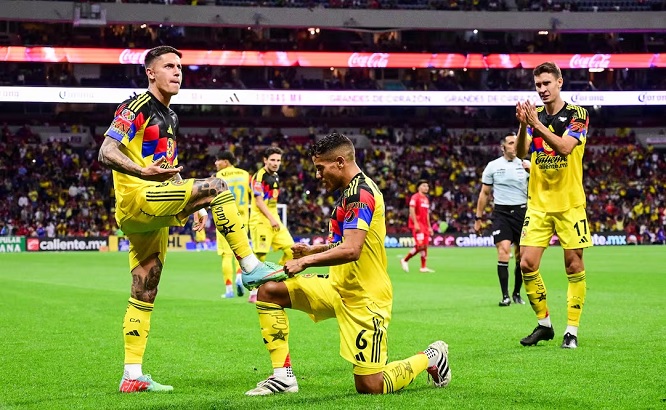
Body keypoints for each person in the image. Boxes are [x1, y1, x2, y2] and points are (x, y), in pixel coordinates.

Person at [98, 45, 286, 393]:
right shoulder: (136, 106)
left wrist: (196, 205)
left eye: (180, 67)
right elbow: (106, 151)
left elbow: (168, 169)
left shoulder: (170, 117)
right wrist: (142, 172)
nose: (177, 72)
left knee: (146, 287)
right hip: (139, 198)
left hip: (152, 206)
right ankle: (249, 266)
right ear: (150, 73)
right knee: (217, 185)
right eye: (169, 66)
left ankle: (131, 375)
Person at [244, 133, 451, 396]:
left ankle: (432, 356)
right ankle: (283, 377)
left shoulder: (361, 193)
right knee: (270, 291)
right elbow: (345, 242)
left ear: (340, 162)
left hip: (365, 297)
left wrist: (305, 261)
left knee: (371, 385)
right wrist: (314, 249)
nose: (318, 175)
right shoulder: (349, 193)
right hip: (336, 287)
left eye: (321, 168)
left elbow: (352, 250)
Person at [515, 61, 592, 349]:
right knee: (526, 263)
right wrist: (524, 125)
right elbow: (521, 152)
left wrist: (535, 124)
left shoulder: (577, 114)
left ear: (559, 82)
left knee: (573, 265)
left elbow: (565, 147)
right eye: (538, 85)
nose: (542, 89)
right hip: (538, 203)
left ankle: (571, 330)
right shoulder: (533, 116)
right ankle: (544, 325)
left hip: (569, 203)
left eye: (547, 83)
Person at [474, 133, 530, 307]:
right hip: (501, 213)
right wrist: (478, 218)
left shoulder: (526, 165)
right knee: (503, 251)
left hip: (522, 213)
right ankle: (505, 296)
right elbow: (484, 193)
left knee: (522, 256)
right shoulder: (493, 166)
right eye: (511, 143)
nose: (514, 146)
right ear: (503, 147)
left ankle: (517, 293)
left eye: (517, 143)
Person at [248, 146, 295, 302]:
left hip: (274, 219)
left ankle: (276, 276)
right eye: (272, 160)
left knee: (292, 250)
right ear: (265, 160)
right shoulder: (259, 176)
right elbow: (259, 201)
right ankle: (254, 291)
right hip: (261, 220)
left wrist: (275, 219)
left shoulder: (275, 176)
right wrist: (271, 218)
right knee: (260, 255)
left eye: (278, 160)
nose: (275, 163)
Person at [214, 151, 251, 300]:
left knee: (226, 255)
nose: (216, 163)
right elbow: (255, 195)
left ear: (226, 161)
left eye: (218, 160)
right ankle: (239, 277)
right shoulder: (245, 175)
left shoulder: (218, 176)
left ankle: (229, 290)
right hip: (242, 219)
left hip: (224, 218)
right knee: (240, 252)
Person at [400, 180, 435, 273]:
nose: (426, 188)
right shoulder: (415, 197)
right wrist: (415, 223)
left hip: (424, 225)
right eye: (424, 186)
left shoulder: (426, 199)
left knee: (425, 246)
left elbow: (427, 214)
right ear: (419, 187)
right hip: (418, 224)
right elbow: (411, 209)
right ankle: (405, 260)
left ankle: (423, 267)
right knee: (420, 246)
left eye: (427, 186)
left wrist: (429, 226)